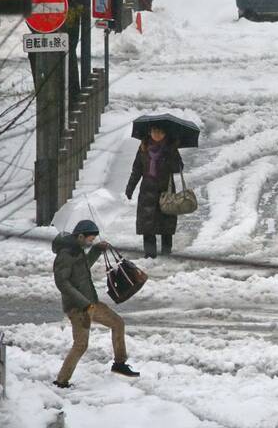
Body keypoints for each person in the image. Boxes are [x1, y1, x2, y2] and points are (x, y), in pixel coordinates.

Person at [53, 220, 139, 388]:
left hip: (91, 303)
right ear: (80, 236)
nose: (91, 242)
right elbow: (62, 283)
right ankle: (61, 381)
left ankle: (119, 364)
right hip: (79, 308)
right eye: (90, 239)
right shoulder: (65, 255)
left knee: (117, 323)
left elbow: (84, 268)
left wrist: (97, 249)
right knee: (81, 345)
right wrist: (84, 304)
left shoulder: (77, 250)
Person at [126, 125, 183, 257]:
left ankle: (166, 253)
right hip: (147, 192)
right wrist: (130, 188)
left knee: (166, 224)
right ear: (149, 132)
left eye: (160, 132)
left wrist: (172, 153)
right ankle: (149, 255)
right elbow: (137, 170)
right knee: (147, 224)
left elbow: (178, 168)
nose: (157, 134)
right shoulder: (143, 148)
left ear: (165, 134)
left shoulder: (170, 148)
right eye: (154, 131)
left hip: (165, 192)